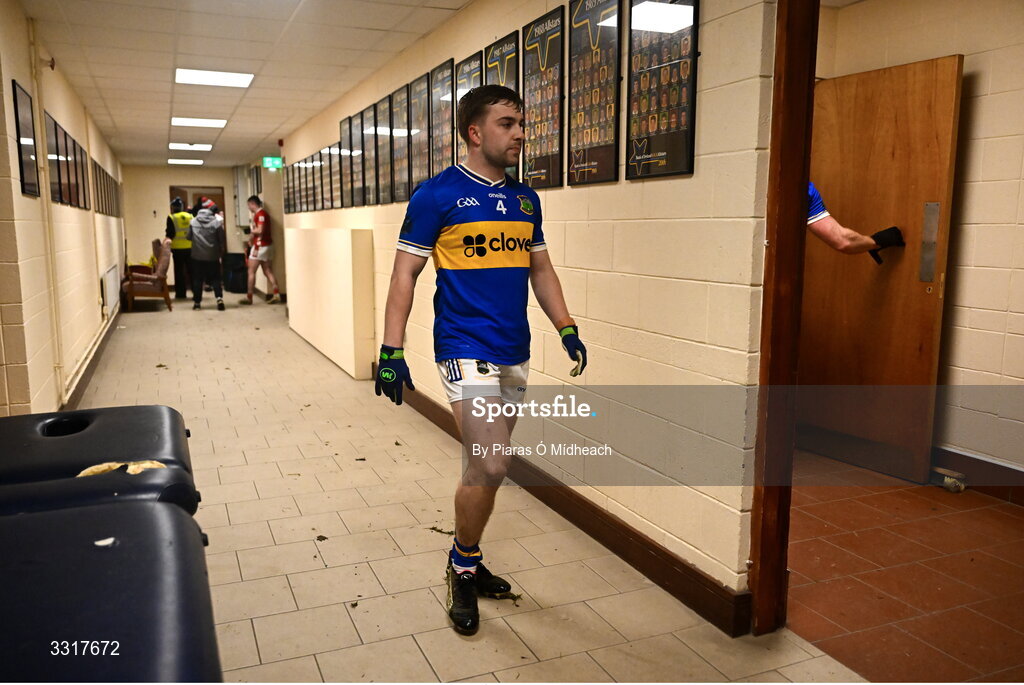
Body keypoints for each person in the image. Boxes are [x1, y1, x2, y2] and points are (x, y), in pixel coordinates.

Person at [375, 85, 588, 636]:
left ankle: (467, 554)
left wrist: (566, 326)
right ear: (475, 132)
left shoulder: (526, 200)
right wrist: (390, 350)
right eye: (508, 123)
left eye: (522, 123)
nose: (521, 133)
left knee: (481, 464)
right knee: (493, 462)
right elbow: (405, 274)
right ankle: (461, 564)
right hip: (463, 346)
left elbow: (541, 269)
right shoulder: (436, 196)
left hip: (514, 348)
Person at [807, 182, 905, 262]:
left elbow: (843, 241)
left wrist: (879, 240)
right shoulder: (806, 190)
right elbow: (844, 241)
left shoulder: (806, 191)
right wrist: (878, 240)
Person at [239, 195, 281, 305]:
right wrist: (251, 238)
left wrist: (251, 231)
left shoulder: (260, 214)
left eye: (249, 205)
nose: (248, 208)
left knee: (251, 271)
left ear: (253, 204)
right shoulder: (263, 214)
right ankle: (276, 293)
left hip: (260, 246)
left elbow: (260, 230)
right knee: (267, 270)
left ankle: (249, 297)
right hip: (268, 245)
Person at [187, 198, 226, 311]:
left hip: (197, 256)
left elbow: (189, 237)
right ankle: (219, 299)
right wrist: (220, 250)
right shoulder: (216, 223)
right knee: (215, 278)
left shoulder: (193, 222)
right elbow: (221, 239)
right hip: (213, 256)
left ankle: (197, 303)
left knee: (198, 279)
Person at [165, 197, 193, 300]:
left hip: (177, 249)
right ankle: (196, 291)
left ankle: (181, 294)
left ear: (173, 207)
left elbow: (170, 233)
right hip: (190, 247)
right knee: (192, 271)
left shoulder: (171, 217)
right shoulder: (190, 216)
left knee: (179, 272)